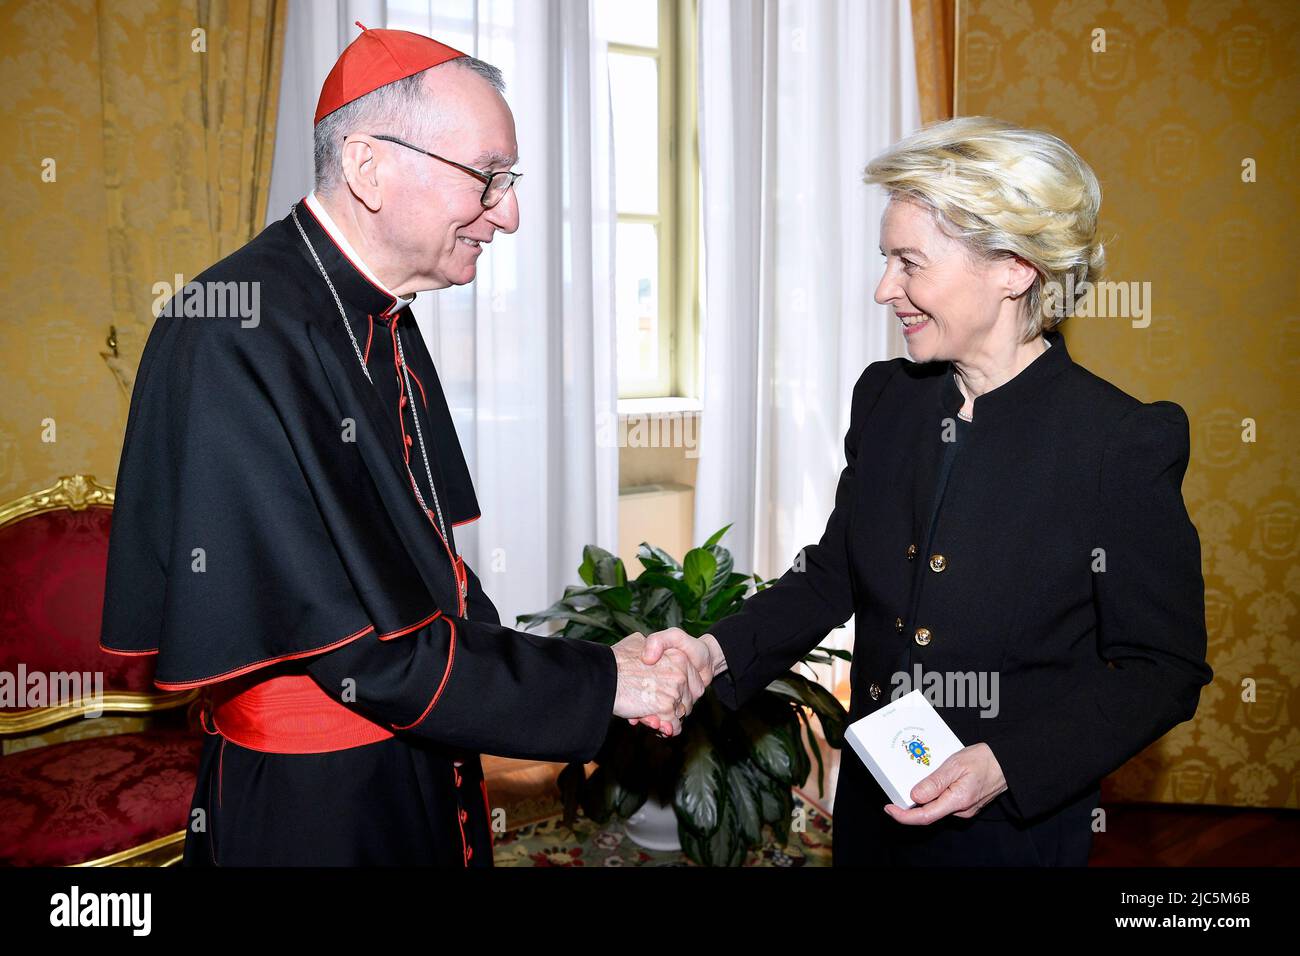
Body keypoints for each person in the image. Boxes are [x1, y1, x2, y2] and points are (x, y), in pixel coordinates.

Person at [100, 25, 708, 867]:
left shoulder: (380, 311)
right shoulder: (231, 330)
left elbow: (433, 579)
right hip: (321, 800)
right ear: (367, 167)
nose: (511, 211)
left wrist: (586, 670)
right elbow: (362, 649)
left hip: (420, 738)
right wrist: (602, 683)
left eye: (510, 180)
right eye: (487, 177)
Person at [640, 116, 1213, 866]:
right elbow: (833, 575)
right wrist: (712, 652)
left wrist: (1005, 763)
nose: (886, 290)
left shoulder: (1120, 443)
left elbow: (1159, 670)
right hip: (875, 810)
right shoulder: (888, 398)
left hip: (1012, 830)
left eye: (910, 263)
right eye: (887, 260)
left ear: (1014, 267)